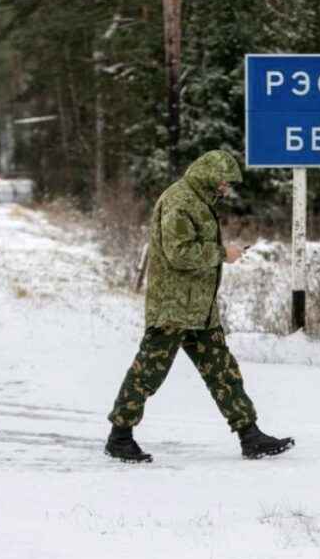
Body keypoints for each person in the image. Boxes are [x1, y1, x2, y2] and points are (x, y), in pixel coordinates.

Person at [105, 150, 294, 463]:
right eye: (223, 181)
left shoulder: (201, 200)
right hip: (174, 308)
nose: (226, 187)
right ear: (208, 175)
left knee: (223, 372)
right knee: (148, 373)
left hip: (200, 309)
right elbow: (178, 253)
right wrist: (222, 253)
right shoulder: (180, 200)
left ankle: (250, 435)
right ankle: (119, 436)